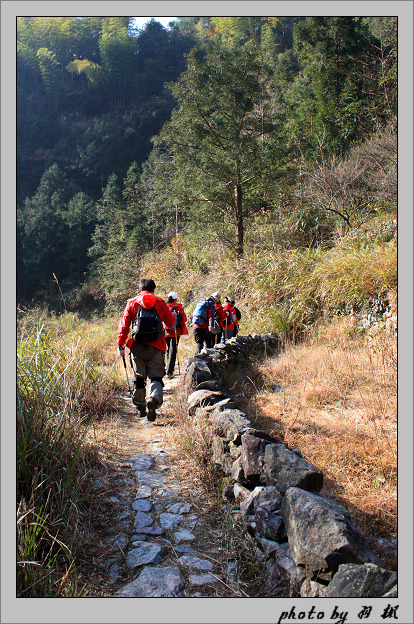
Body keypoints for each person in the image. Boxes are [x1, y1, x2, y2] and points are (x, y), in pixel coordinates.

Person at [117, 278, 176, 422]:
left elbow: (124, 324)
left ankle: (141, 407)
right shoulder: (161, 302)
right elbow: (170, 323)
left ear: (140, 289)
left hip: (137, 347)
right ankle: (154, 399)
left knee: (139, 378)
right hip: (157, 346)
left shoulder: (132, 303)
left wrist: (121, 342)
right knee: (156, 377)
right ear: (154, 289)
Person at [165, 291, 188, 378]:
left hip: (166, 331)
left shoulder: (165, 307)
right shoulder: (178, 308)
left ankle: (167, 368)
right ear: (176, 298)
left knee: (168, 350)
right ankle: (170, 371)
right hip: (175, 331)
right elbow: (184, 319)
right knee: (173, 350)